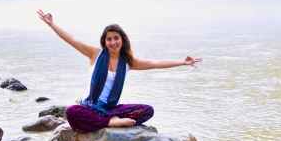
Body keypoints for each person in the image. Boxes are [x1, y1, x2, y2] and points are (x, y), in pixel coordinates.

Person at [37, 9, 201, 133]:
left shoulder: (128, 62)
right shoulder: (95, 54)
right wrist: (52, 24)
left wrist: (183, 62)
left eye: (116, 38)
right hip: (89, 105)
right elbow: (72, 40)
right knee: (72, 112)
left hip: (110, 108)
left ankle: (106, 119)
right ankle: (110, 122)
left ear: (122, 40)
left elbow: (154, 63)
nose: (113, 42)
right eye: (109, 39)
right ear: (104, 41)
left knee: (147, 110)